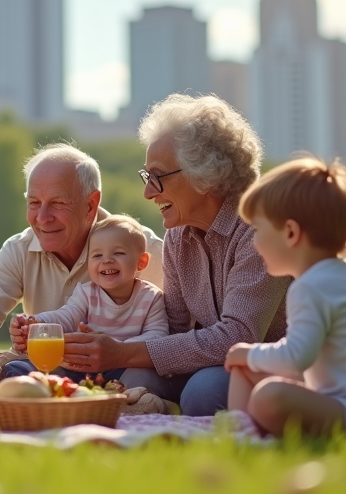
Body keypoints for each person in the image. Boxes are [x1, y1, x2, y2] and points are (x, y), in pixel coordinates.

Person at [57, 94, 289, 416]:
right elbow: (176, 330)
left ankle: (169, 411)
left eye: (158, 176)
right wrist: (112, 353)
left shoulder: (259, 231)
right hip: (213, 364)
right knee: (133, 379)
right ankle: (163, 411)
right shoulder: (178, 238)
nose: (148, 192)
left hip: (274, 370)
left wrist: (121, 352)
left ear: (204, 174)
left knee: (204, 390)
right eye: (146, 177)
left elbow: (237, 338)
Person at [224, 157, 346, 438]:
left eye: (257, 229)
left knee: (270, 395)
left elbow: (296, 358)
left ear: (291, 233)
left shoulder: (311, 287)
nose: (253, 241)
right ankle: (239, 429)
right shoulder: (339, 277)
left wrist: (249, 352)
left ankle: (242, 433)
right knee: (249, 369)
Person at [0, 143, 163, 382]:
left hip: (124, 371)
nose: (42, 218)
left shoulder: (144, 250)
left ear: (91, 205)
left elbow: (173, 337)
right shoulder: (19, 248)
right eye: (33, 203)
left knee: (144, 380)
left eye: (58, 203)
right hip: (56, 368)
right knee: (11, 373)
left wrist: (121, 352)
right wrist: (30, 326)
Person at [6, 214, 168, 380]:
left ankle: (131, 401)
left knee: (146, 377)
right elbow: (66, 316)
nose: (107, 260)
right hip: (80, 368)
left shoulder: (152, 297)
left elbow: (158, 336)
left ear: (141, 261)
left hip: (123, 368)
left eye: (118, 253)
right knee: (18, 369)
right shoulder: (86, 293)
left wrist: (116, 349)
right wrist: (38, 322)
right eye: (97, 255)